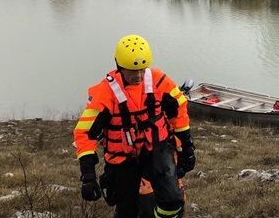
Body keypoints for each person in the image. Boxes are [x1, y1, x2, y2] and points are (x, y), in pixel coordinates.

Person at [73, 34, 196, 218]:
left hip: (156, 150)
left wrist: (187, 147)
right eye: (132, 71)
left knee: (173, 201)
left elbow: (179, 111)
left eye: (142, 70)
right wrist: (88, 176)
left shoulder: (158, 80)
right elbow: (85, 133)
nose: (138, 76)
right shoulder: (105, 93)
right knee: (128, 212)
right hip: (122, 161)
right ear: (119, 66)